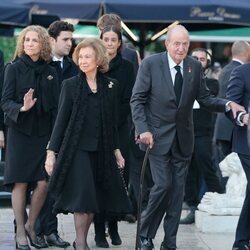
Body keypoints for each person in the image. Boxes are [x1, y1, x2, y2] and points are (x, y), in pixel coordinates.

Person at [130, 24, 245, 250]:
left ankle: (169, 242)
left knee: (176, 194)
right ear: (167, 44)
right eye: (177, 44)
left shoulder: (193, 66)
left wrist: (228, 104)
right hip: (156, 139)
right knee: (162, 186)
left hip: (183, 141)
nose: (181, 48)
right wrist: (142, 129)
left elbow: (205, 99)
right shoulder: (152, 65)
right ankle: (145, 235)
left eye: (185, 44)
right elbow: (137, 100)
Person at [45, 37, 131, 250]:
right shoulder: (70, 85)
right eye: (80, 56)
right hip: (77, 151)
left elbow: (111, 124)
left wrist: (117, 151)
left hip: (102, 151)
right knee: (83, 201)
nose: (82, 61)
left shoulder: (111, 86)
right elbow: (60, 122)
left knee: (94, 201)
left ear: (98, 59)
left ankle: (79, 241)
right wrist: (51, 152)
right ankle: (81, 244)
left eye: (87, 56)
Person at [1, 25, 59, 250]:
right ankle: (19, 232)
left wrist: (54, 141)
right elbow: (4, 102)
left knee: (44, 183)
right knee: (21, 182)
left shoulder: (52, 71)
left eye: (34, 40)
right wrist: (22, 108)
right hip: (20, 132)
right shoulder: (13, 68)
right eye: (26, 40)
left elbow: (56, 109)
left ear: (43, 43)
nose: (29, 44)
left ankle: (31, 225)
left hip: (44, 134)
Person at [36, 20, 78, 248]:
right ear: (52, 40)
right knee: (38, 184)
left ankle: (50, 231)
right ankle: (32, 229)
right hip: (39, 134)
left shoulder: (73, 67)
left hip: (64, 135)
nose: (70, 43)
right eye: (66, 39)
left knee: (53, 185)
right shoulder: (40, 64)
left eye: (71, 39)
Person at [93, 25, 135, 248]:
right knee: (99, 180)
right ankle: (100, 230)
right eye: (106, 39)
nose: (109, 43)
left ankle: (114, 225)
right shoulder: (94, 65)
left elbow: (129, 99)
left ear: (119, 43)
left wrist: (112, 122)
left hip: (118, 129)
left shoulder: (128, 67)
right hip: (95, 131)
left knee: (119, 179)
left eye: (113, 40)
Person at [180, 48, 223, 224]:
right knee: (188, 172)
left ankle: (220, 200)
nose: (198, 61)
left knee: (208, 168)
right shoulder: (182, 81)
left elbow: (203, 100)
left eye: (202, 59)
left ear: (207, 63)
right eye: (195, 58)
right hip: (184, 133)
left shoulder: (212, 83)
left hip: (203, 134)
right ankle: (192, 206)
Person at [214, 41, 250, 172]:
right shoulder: (239, 71)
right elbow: (230, 101)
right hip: (236, 131)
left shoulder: (226, 70)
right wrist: (242, 117)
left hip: (225, 128)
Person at [226, 62, 250, 250]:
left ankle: (241, 241)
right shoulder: (241, 72)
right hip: (247, 144)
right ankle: (241, 240)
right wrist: (243, 117)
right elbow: (231, 105)